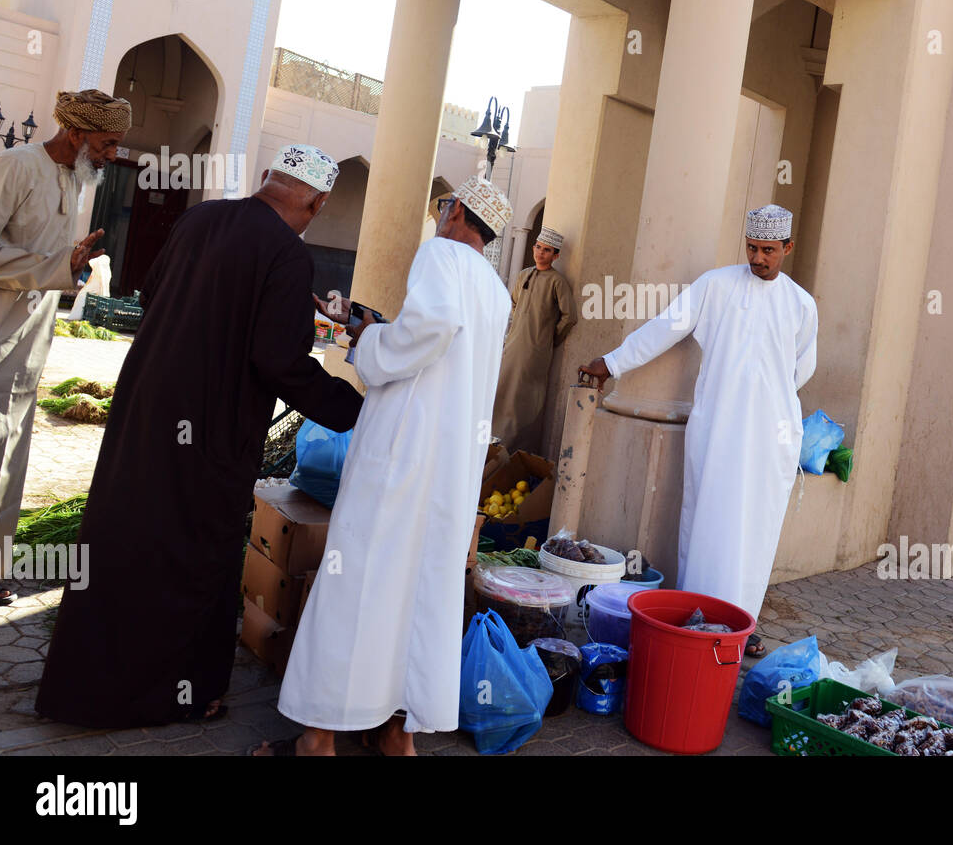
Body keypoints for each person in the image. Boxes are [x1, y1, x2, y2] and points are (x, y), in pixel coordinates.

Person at [36, 144, 364, 728]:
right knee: (191, 557)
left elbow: (153, 295)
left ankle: (80, 688)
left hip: (145, 409)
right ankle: (175, 694)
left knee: (123, 542)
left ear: (268, 179)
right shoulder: (287, 255)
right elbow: (280, 361)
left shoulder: (200, 218)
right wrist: (355, 410)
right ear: (314, 203)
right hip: (211, 432)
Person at [263, 175, 512, 757]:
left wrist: (370, 341)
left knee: (358, 583)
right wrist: (379, 328)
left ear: (456, 213)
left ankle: (318, 737)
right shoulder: (497, 291)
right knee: (422, 592)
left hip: (401, 454)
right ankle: (400, 734)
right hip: (449, 466)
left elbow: (430, 329)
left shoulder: (440, 252)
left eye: (444, 208)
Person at [579, 204, 817, 658]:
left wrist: (762, 401)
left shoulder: (801, 305)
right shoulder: (716, 285)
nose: (758, 257)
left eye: (769, 250)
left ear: (788, 248)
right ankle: (697, 616)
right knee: (709, 519)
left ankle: (742, 624)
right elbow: (666, 327)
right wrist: (612, 362)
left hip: (769, 436)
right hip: (719, 428)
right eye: (751, 247)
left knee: (756, 529)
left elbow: (800, 371)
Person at [0, 90, 121, 605]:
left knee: (9, 460)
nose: (113, 155)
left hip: (30, 345)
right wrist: (55, 267)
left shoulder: (74, 179)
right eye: (107, 143)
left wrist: (72, 266)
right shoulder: (15, 167)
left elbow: (52, 261)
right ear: (75, 133)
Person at [492, 225, 577, 453]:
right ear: (533, 248)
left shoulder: (557, 281)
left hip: (535, 352)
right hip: (513, 346)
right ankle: (494, 446)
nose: (541, 253)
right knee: (502, 393)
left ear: (555, 255)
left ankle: (516, 451)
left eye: (547, 250)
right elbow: (514, 304)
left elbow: (570, 316)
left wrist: (549, 339)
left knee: (524, 402)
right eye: (538, 247)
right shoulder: (523, 275)